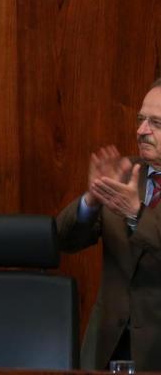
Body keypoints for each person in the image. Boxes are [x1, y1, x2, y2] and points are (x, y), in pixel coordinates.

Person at [57, 79, 161, 371]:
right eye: (141, 119)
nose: (141, 131)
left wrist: (135, 213)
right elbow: (62, 239)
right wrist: (91, 199)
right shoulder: (126, 173)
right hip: (105, 349)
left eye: (156, 123)